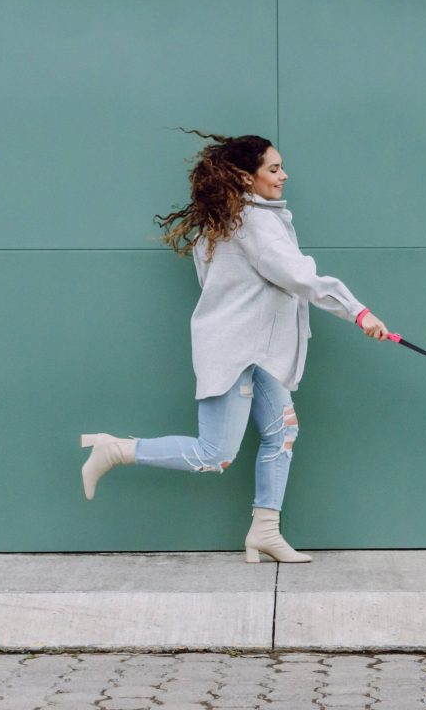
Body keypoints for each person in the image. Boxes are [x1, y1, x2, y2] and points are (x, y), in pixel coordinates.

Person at [80, 131, 389, 563]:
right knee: (214, 454)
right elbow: (298, 276)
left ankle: (264, 530)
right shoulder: (255, 222)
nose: (284, 175)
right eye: (274, 168)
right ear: (246, 178)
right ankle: (114, 450)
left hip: (251, 352)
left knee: (283, 432)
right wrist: (358, 312)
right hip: (235, 352)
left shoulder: (228, 220)